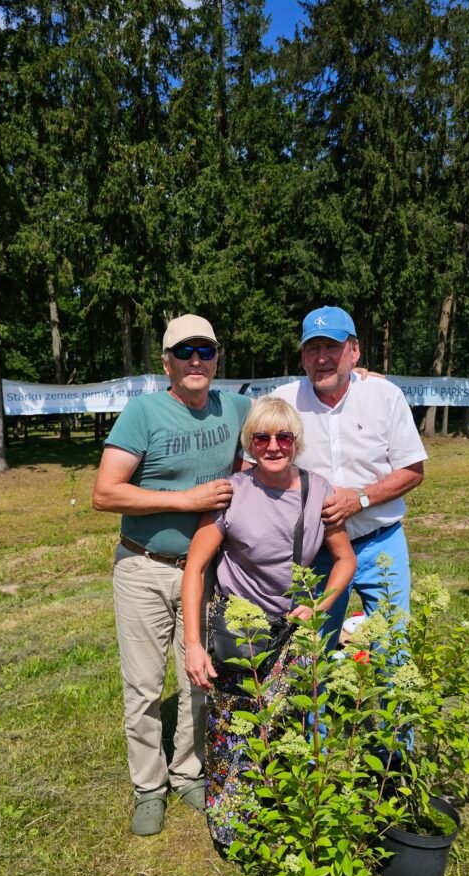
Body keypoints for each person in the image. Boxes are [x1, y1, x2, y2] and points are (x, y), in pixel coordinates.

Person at [92, 314, 252, 835]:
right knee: (142, 686)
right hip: (143, 566)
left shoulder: (236, 408)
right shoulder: (144, 412)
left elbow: (290, 415)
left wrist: (359, 376)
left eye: (205, 350)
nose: (196, 360)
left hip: (204, 573)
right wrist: (185, 500)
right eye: (185, 352)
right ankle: (147, 786)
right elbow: (105, 492)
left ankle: (187, 772)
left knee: (197, 677)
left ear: (217, 357)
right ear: (166, 362)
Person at [181, 396, 356, 846]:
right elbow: (196, 568)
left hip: (290, 629)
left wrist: (319, 606)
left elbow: (344, 560)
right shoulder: (232, 492)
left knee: (283, 724)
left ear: (296, 442)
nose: (273, 446)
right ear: (249, 441)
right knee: (230, 726)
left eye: (283, 437)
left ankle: (279, 812)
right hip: (236, 630)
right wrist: (194, 645)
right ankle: (229, 824)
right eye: (262, 437)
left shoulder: (320, 492)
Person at [271, 306, 427, 642]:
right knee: (313, 651)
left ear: (354, 351)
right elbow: (252, 461)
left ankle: (393, 696)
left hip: (380, 542)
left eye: (332, 347)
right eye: (313, 348)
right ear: (302, 356)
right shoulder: (282, 402)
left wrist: (360, 499)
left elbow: (413, 471)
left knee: (393, 648)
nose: (322, 358)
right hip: (314, 553)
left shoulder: (384, 396)